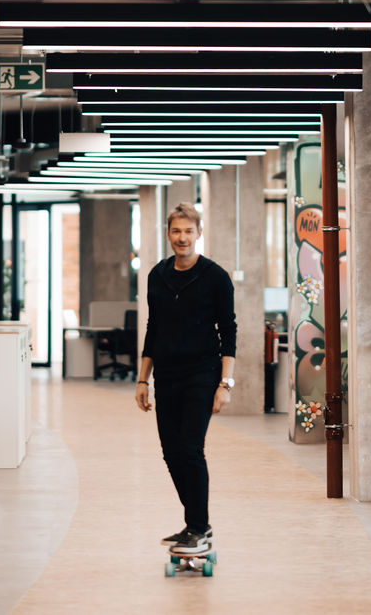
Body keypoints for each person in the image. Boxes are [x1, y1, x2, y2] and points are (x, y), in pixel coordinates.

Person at [135, 202, 237, 555]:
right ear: (168, 234)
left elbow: (228, 331)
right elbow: (153, 328)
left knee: (191, 449)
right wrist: (142, 379)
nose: (182, 237)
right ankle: (194, 524)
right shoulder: (157, 275)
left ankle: (199, 527)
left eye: (188, 231)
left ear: (199, 234)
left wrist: (225, 384)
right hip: (167, 375)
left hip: (202, 374)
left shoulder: (216, 277)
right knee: (170, 452)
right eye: (176, 231)